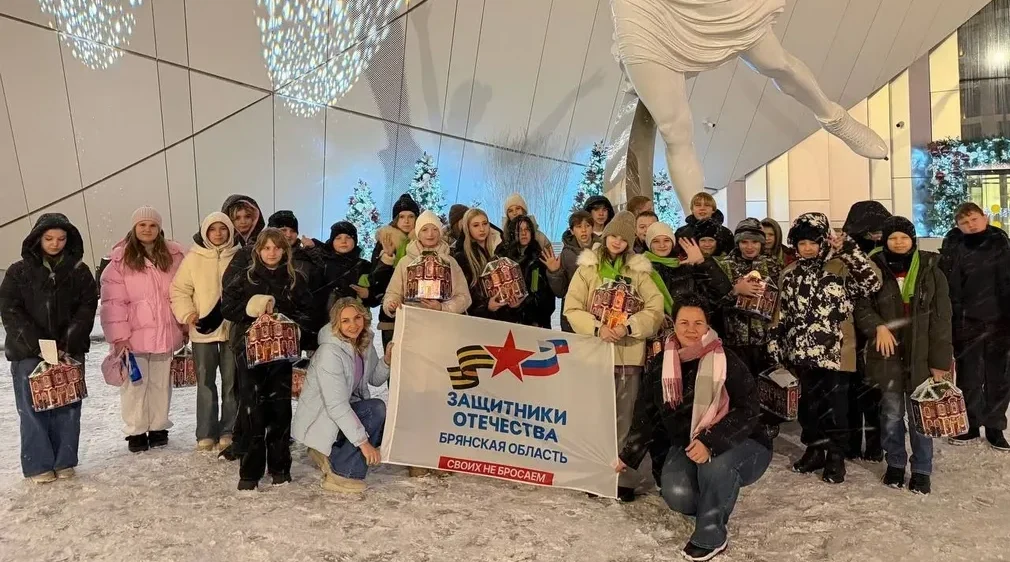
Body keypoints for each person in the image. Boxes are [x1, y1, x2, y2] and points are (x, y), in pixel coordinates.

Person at [618, 296, 770, 562]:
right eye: (684, 322)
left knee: (715, 464)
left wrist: (710, 441)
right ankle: (716, 494)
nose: (691, 329)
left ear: (708, 325)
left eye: (698, 323)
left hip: (745, 441)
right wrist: (628, 455)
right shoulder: (662, 364)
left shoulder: (726, 359)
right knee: (678, 495)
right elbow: (646, 414)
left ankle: (711, 534)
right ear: (673, 325)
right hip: (689, 442)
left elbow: (749, 411)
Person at [769, 212, 880, 484]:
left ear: (823, 242)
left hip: (836, 355)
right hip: (800, 355)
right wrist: (775, 344)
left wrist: (850, 251)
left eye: (813, 242)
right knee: (809, 407)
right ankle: (815, 450)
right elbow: (781, 313)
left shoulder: (841, 268)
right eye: (802, 243)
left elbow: (872, 282)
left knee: (836, 408)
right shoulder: (789, 274)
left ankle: (835, 455)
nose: (807, 248)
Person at [564, 210, 664, 502]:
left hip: (628, 356)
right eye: (614, 236)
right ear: (605, 235)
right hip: (595, 354)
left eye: (624, 238)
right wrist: (597, 328)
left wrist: (629, 326)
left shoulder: (640, 272)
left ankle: (624, 478)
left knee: (625, 418)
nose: (617, 242)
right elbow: (572, 307)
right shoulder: (588, 269)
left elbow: (655, 309)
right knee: (595, 417)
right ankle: (594, 472)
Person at [854, 216, 952, 495]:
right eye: (892, 237)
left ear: (913, 239)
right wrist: (877, 327)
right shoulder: (874, 269)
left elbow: (942, 319)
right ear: (884, 241)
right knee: (891, 415)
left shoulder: (930, 269)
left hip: (921, 355)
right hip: (887, 356)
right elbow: (861, 306)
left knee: (921, 415)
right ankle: (895, 462)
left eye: (904, 237)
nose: (898, 242)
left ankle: (922, 469)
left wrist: (940, 362)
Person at [0, 214, 98, 483]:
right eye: (49, 238)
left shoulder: (79, 272)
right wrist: (38, 344)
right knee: (33, 408)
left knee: (68, 406)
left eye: (61, 239)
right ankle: (38, 465)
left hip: (69, 351)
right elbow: (10, 310)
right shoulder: (18, 272)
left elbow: (87, 308)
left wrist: (68, 341)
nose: (55, 244)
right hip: (28, 354)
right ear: (38, 239)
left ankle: (64, 460)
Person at [221, 228, 319, 490]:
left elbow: (309, 312)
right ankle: (250, 472)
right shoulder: (245, 277)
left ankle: (280, 467)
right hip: (249, 352)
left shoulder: (295, 279)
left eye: (277, 247)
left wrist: (291, 325)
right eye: (267, 248)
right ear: (258, 251)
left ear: (285, 251)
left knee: (280, 410)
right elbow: (227, 307)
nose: (272, 252)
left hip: (281, 355)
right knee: (251, 409)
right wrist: (252, 308)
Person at [382, 210, 471, 477]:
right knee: (414, 396)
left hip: (442, 337)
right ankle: (415, 456)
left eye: (434, 229)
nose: (430, 234)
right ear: (417, 234)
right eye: (424, 230)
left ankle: (440, 454)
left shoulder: (450, 263)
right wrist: (391, 305)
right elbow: (392, 294)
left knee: (440, 396)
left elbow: (464, 297)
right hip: (414, 336)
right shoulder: (405, 263)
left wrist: (443, 307)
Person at [100, 207, 186, 453]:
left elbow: (182, 292)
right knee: (135, 385)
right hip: (133, 337)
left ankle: (158, 426)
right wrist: (119, 337)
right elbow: (113, 303)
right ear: (134, 228)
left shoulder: (174, 258)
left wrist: (184, 325)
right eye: (142, 225)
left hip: (165, 332)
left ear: (159, 229)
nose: (147, 230)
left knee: (161, 383)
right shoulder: (119, 262)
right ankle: (136, 430)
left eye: (152, 225)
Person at [293, 298, 391, 493]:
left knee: (376, 409)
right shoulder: (329, 352)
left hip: (343, 409)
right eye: (345, 321)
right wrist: (363, 443)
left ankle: (330, 450)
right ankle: (341, 471)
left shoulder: (362, 342)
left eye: (357, 318)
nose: (353, 325)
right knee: (374, 411)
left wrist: (387, 360)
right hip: (323, 416)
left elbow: (373, 379)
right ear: (336, 323)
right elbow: (336, 405)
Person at [939, 202, 1010, 451]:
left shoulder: (1001, 244)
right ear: (958, 226)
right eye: (964, 222)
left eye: (974, 220)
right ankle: (970, 424)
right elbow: (948, 286)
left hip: (1000, 320)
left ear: (984, 218)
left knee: (999, 377)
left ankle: (995, 427)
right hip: (966, 321)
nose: (971, 225)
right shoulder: (953, 246)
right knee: (969, 377)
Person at [170, 212, 239, 452]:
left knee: (232, 383)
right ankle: (206, 432)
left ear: (230, 231)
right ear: (205, 232)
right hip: (202, 332)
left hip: (231, 332)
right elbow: (179, 290)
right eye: (212, 229)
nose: (218, 234)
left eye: (223, 228)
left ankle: (230, 429)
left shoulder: (240, 256)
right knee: (206, 383)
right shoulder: (193, 258)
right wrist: (188, 314)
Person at [841, 201, 892, 461]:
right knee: (851, 389)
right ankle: (852, 443)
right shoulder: (845, 250)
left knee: (873, 389)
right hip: (849, 329)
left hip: (876, 327)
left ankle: (874, 444)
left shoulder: (887, 251)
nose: (875, 233)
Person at [369, 193, 420, 348]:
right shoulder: (386, 240)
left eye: (411, 216)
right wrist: (387, 258)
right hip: (390, 311)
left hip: (418, 311)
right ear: (395, 219)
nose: (406, 221)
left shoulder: (422, 241)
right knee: (392, 356)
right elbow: (376, 281)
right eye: (402, 216)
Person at [301, 221, 379, 312]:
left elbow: (378, 297)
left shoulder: (364, 266)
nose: (343, 241)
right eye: (338, 238)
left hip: (354, 317)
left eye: (348, 237)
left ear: (355, 240)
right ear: (332, 241)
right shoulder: (321, 263)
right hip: (322, 317)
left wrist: (368, 294)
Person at [497, 215, 556, 328]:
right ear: (512, 233)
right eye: (519, 230)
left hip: (536, 322)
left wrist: (523, 303)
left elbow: (546, 297)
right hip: (509, 322)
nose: (523, 233)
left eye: (527, 229)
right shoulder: (503, 258)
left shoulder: (540, 258)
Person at [546, 210, 599, 333]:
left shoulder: (602, 250)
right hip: (573, 311)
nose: (584, 230)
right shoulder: (566, 254)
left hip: (597, 309)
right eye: (579, 226)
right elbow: (560, 292)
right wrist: (554, 272)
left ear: (592, 228)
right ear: (572, 230)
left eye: (587, 226)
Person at [453, 208, 508, 320]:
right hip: (477, 320)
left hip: (503, 315)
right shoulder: (461, 257)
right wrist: (486, 305)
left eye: (485, 223)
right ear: (468, 228)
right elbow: (464, 294)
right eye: (476, 225)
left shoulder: (499, 250)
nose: (482, 229)